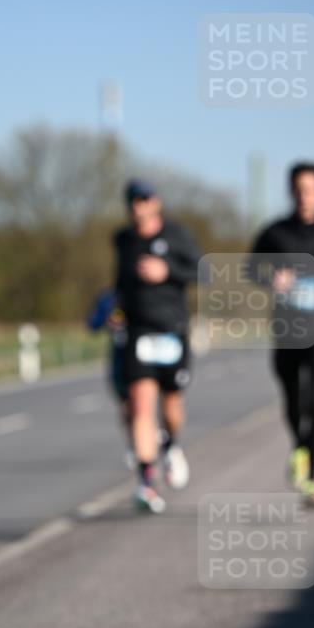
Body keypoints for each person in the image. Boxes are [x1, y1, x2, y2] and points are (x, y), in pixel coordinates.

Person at [249, 163, 314, 507]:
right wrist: (271, 279)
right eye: (297, 189)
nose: (304, 196)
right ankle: (300, 448)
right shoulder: (275, 232)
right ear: (290, 191)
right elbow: (251, 267)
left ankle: (312, 480)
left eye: (310, 189)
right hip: (287, 327)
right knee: (293, 401)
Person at [113, 179, 200, 514]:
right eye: (133, 200)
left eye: (144, 199)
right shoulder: (123, 241)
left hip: (172, 331)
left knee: (171, 406)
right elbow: (119, 283)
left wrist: (167, 270)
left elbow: (201, 271)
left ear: (156, 202)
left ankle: (172, 444)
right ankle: (146, 483)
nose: (139, 206)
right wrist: (116, 311)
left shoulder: (177, 235)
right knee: (140, 405)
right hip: (137, 332)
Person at [86, 289, 132, 465]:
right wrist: (107, 320)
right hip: (120, 360)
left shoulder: (144, 292)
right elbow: (92, 324)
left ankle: (158, 437)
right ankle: (134, 444)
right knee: (125, 405)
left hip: (145, 358)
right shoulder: (108, 298)